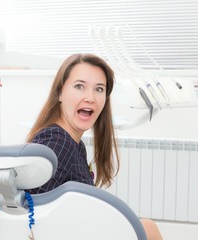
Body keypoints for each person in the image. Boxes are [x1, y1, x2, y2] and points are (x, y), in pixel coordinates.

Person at [26, 53, 163, 240]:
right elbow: (35, 214)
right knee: (148, 228)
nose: (90, 97)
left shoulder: (74, 144)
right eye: (79, 86)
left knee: (148, 227)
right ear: (60, 92)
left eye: (99, 89)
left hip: (80, 229)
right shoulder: (58, 141)